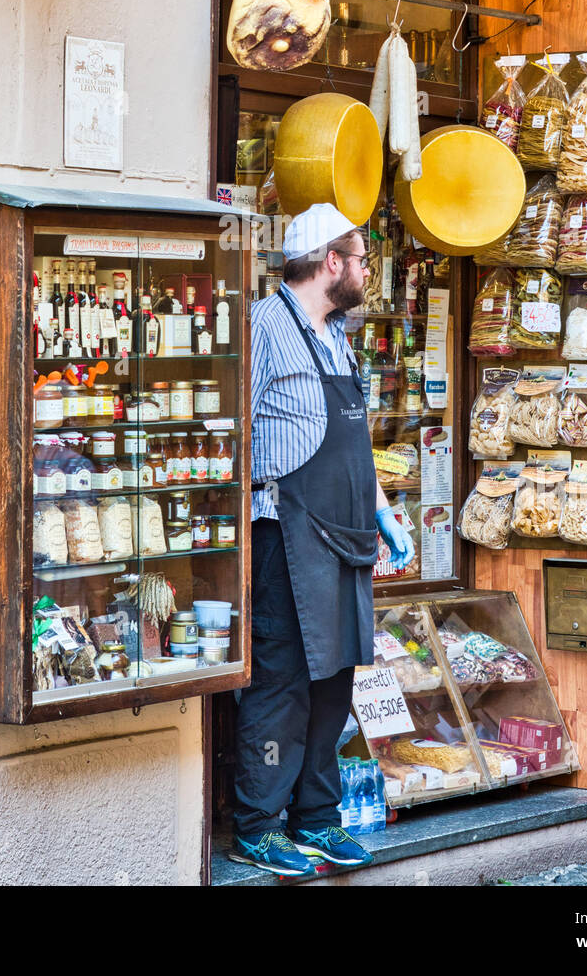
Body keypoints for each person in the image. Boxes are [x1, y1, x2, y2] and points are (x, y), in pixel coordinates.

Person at [229, 203, 414, 877]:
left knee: (335, 680)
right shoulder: (262, 326)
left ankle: (315, 818)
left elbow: (352, 440)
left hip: (345, 534)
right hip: (284, 533)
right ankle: (257, 825)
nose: (367, 270)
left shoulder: (338, 334)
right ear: (330, 263)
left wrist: (383, 509)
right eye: (361, 258)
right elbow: (234, 431)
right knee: (282, 683)